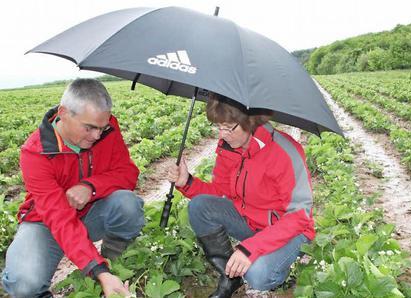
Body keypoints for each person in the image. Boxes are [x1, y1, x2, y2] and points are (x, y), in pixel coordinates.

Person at [1, 78, 145, 297]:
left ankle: (116, 263)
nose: (97, 135)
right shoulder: (35, 152)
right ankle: (102, 274)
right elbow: (58, 217)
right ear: (64, 113)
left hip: (92, 212)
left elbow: (127, 173)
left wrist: (91, 187)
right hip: (46, 223)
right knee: (23, 283)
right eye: (89, 128)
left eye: (102, 127)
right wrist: (98, 270)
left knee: (128, 204)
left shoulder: (108, 129)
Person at [168, 93, 314, 297]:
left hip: (289, 232)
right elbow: (220, 193)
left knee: (258, 274)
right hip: (251, 224)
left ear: (250, 120)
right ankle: (230, 277)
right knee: (200, 206)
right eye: (218, 127)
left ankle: (284, 268)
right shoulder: (229, 148)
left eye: (228, 127)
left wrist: (251, 248)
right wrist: (187, 183)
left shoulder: (285, 152)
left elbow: (299, 216)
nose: (222, 135)